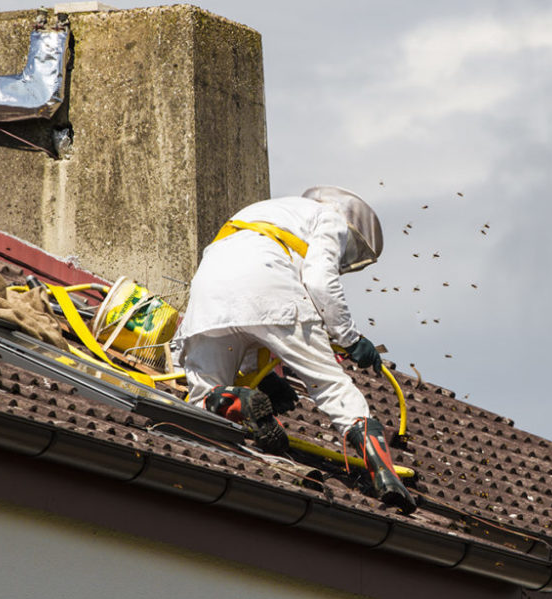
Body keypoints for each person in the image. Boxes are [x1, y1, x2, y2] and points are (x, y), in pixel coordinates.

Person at [175, 185, 417, 514]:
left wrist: (262, 382)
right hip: (271, 285)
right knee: (333, 388)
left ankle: (240, 400)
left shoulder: (265, 211)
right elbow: (319, 280)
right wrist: (351, 339)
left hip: (209, 292)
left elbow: (245, 321)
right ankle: (386, 477)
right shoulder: (329, 219)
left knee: (201, 396)